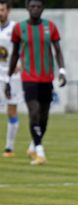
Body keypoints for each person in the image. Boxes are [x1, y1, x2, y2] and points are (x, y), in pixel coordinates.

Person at [5, 0, 66, 165]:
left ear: (43, 8)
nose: (35, 9)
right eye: (32, 6)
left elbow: (58, 51)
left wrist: (62, 71)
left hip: (47, 78)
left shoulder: (51, 27)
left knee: (44, 117)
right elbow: (14, 55)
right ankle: (40, 152)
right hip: (28, 78)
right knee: (34, 111)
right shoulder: (19, 29)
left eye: (38, 6)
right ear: (27, 8)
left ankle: (33, 146)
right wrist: (9, 78)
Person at [0, 0, 22, 158]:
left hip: (12, 76)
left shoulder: (16, 28)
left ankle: (9, 147)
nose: (0, 13)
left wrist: (21, 62)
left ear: (8, 11)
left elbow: (25, 47)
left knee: (11, 110)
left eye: (2, 10)